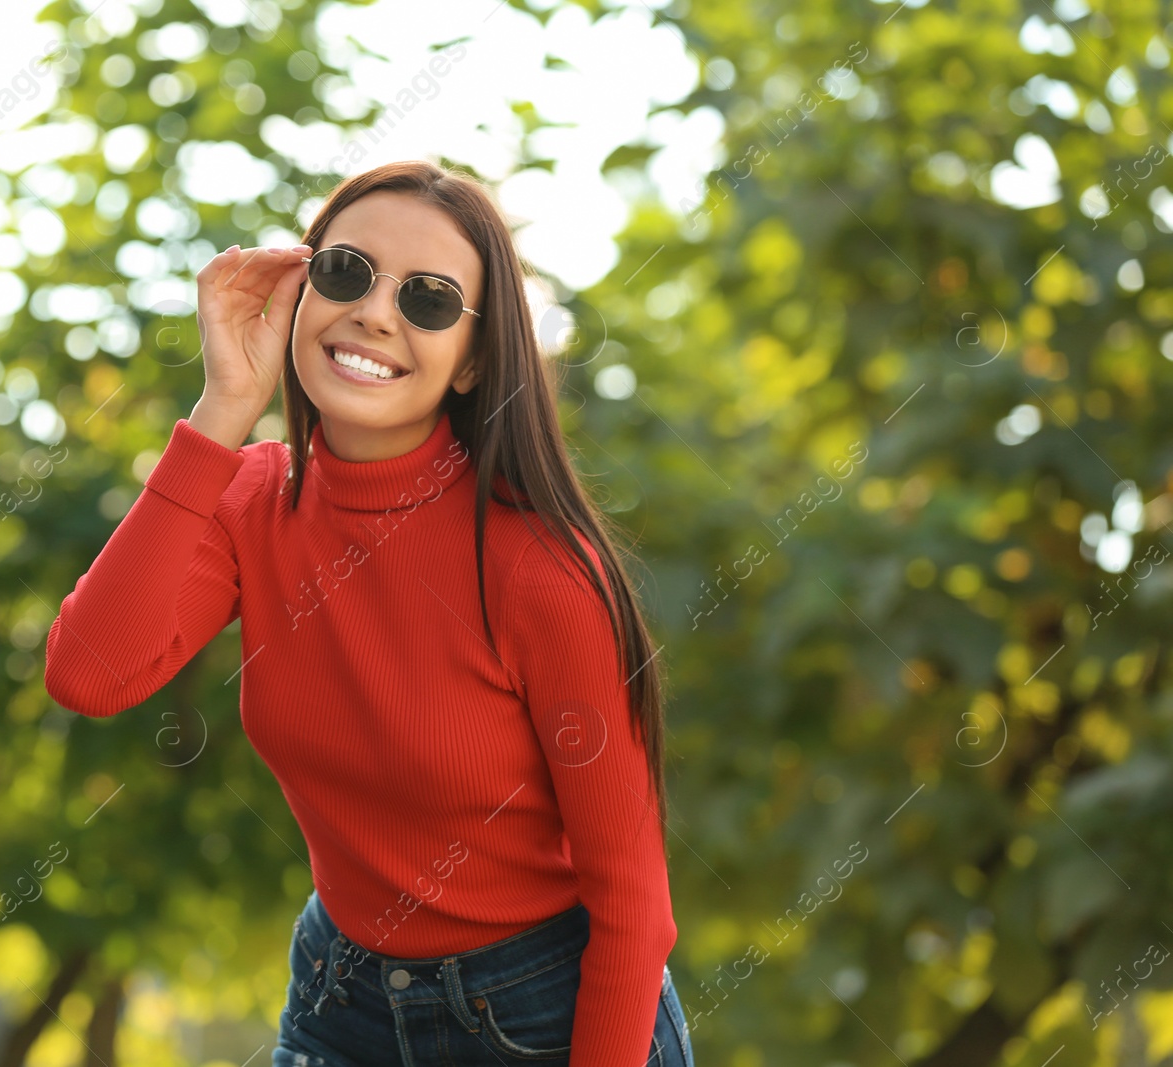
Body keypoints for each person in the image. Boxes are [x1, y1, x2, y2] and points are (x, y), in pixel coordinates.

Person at [44, 160, 691, 1067]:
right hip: (341, 995)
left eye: (429, 300)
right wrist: (224, 409)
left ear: (473, 361)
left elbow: (632, 907)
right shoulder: (250, 500)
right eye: (345, 272)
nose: (376, 313)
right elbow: (89, 674)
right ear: (300, 291)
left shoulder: (539, 570)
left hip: (542, 1011)